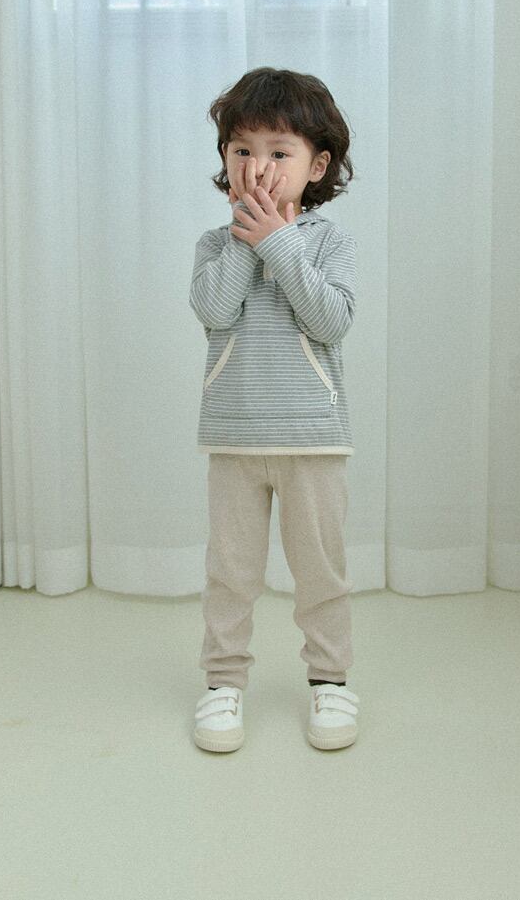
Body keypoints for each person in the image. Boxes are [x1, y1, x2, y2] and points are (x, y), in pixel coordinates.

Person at [189, 67, 360, 752]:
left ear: (317, 166)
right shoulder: (215, 244)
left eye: (278, 152)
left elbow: (331, 320)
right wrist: (246, 239)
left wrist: (279, 244)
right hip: (235, 438)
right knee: (230, 572)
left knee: (320, 570)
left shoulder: (328, 243)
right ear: (225, 158)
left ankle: (330, 679)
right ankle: (223, 682)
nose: (257, 167)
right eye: (242, 150)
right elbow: (214, 309)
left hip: (313, 439)